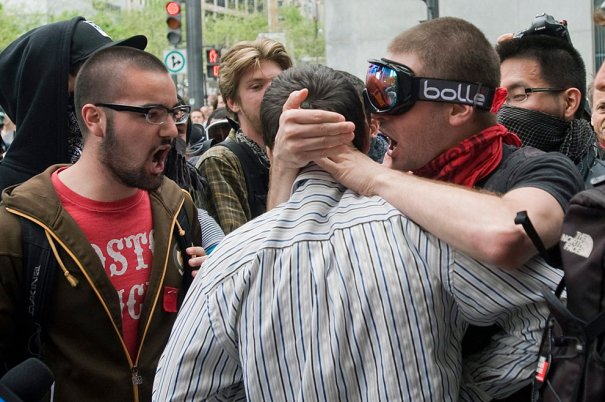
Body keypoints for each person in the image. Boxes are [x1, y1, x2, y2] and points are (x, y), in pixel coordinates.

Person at [152, 63, 562, 402]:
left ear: (270, 149)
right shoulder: (426, 234)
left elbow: (179, 393)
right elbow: (549, 314)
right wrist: (467, 389)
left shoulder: (230, 262)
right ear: (368, 137)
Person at [265, 17, 584, 400]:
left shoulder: (540, 169)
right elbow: (285, 270)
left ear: (457, 108)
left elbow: (508, 234)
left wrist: (376, 180)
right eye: (372, 95)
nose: (377, 116)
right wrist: (283, 167)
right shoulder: (397, 175)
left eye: (392, 96)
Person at [0, 46, 203, 402]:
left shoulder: (178, 209)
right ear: (94, 119)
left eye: (174, 112)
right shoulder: (18, 227)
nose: (172, 129)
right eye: (151, 114)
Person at [0, 17, 147, 192]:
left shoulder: (132, 175)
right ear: (51, 85)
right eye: (98, 69)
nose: (116, 82)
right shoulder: (8, 189)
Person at [195, 38, 292, 234]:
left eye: (278, 82)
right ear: (232, 102)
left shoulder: (307, 149)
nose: (272, 92)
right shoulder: (221, 162)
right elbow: (238, 253)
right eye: (256, 86)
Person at [495, 25, 605, 187]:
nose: (503, 111)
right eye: (499, 99)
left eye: (518, 95)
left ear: (569, 102)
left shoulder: (598, 189)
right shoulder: (485, 178)